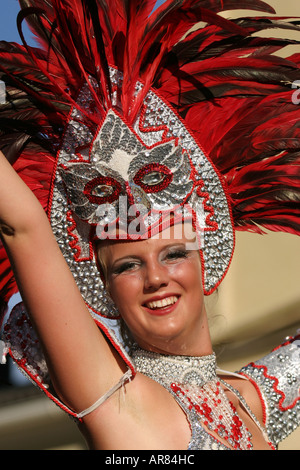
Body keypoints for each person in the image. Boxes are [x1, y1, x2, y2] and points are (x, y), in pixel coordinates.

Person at [0, 0, 299, 450]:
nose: (155, 278)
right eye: (127, 267)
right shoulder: (119, 401)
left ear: (204, 258)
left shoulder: (250, 404)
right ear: (102, 285)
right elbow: (22, 225)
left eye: (173, 253)